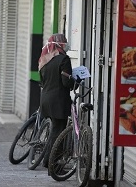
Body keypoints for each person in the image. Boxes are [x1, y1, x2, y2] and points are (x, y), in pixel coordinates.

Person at [38, 33, 80, 170]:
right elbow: (66, 82)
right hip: (58, 101)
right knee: (58, 132)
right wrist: (77, 81)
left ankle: (47, 161)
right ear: (58, 45)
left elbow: (43, 81)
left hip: (45, 99)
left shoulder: (45, 60)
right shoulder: (64, 59)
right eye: (64, 43)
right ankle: (53, 163)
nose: (66, 45)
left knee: (55, 131)